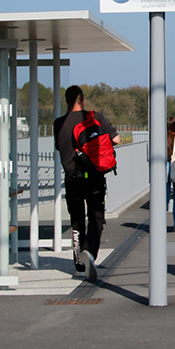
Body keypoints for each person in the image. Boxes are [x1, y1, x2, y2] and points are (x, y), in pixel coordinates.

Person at [54, 85, 121, 280]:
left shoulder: (59, 123)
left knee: (77, 222)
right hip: (94, 176)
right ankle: (89, 253)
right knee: (96, 218)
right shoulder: (95, 117)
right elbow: (116, 139)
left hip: (72, 178)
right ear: (82, 99)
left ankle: (79, 266)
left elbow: (59, 147)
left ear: (66, 101)